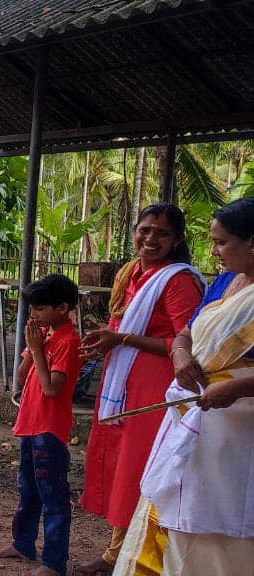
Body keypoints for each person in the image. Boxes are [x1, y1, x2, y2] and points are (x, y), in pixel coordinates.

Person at [115, 198, 254, 576]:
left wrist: (238, 389)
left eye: (222, 242)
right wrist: (179, 355)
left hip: (238, 435)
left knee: (223, 521)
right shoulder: (227, 281)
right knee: (176, 511)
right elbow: (186, 331)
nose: (215, 251)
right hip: (196, 420)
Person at [74, 204, 203, 576]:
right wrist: (106, 339)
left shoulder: (177, 280)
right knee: (121, 464)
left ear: (177, 240)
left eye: (162, 234)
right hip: (123, 379)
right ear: (134, 231)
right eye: (145, 230)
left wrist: (122, 338)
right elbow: (120, 324)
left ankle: (133, 555)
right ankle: (117, 550)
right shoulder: (132, 273)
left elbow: (188, 341)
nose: (151, 239)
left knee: (140, 467)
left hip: (155, 385)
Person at [0, 274, 83, 576]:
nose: (34, 316)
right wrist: (34, 349)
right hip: (29, 425)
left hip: (49, 429)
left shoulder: (68, 342)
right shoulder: (44, 336)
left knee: (53, 496)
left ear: (62, 308)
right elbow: (20, 376)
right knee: (27, 489)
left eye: (40, 310)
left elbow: (52, 388)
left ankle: (54, 562)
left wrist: (39, 352)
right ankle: (23, 543)